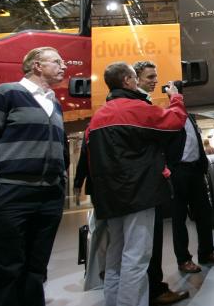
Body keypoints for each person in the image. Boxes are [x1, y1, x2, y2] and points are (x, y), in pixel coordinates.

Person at [0, 47, 68, 306]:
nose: (64, 66)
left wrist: (60, 185)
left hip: (48, 198)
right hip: (10, 195)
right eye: (57, 61)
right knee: (4, 270)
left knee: (35, 270)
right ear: (37, 65)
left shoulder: (54, 103)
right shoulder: (6, 93)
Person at [86, 62, 187, 306]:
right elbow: (174, 121)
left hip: (109, 197)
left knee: (115, 257)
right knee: (136, 257)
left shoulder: (98, 117)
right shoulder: (136, 109)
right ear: (128, 81)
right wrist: (175, 98)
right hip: (138, 193)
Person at [132, 60, 189, 306]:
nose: (155, 81)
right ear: (133, 79)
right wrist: (175, 99)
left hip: (144, 180)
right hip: (146, 182)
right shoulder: (139, 105)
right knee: (148, 243)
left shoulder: (136, 103)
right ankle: (154, 290)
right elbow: (173, 123)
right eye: (150, 77)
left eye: (155, 76)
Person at [171, 114, 214, 274]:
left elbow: (196, 142)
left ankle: (206, 252)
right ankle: (183, 260)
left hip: (196, 170)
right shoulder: (168, 113)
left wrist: (203, 167)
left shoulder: (190, 116)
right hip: (178, 171)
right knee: (179, 218)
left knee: (204, 213)